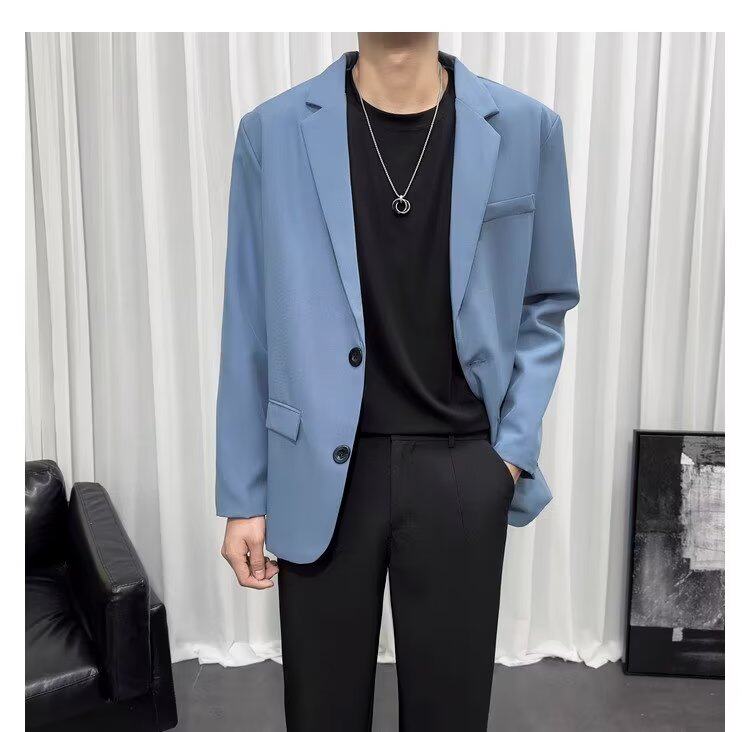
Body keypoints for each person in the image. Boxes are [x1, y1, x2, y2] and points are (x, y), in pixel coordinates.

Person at [217, 31, 578, 732]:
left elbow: (546, 302)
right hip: (320, 472)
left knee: (451, 714)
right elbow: (248, 319)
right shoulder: (273, 132)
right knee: (321, 713)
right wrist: (244, 494)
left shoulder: (527, 128)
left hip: (462, 466)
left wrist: (508, 455)